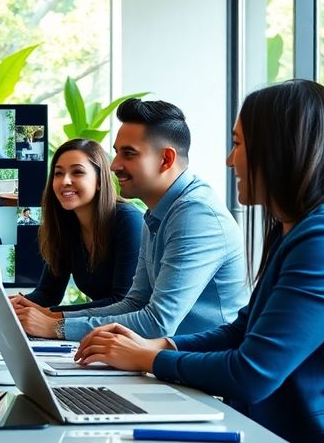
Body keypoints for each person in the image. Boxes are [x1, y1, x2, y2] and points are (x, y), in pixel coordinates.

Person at [74, 80, 324, 442]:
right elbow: (240, 330)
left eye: (237, 144)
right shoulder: (300, 230)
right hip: (256, 426)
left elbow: (252, 373)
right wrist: (162, 346)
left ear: (280, 150)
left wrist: (148, 359)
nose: (230, 160)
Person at [13, 99, 247, 343]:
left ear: (165, 160)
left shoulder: (196, 215)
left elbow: (157, 322)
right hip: (166, 360)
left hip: (202, 368)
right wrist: (54, 320)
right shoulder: (156, 214)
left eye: (129, 154)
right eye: (116, 153)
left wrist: (56, 327)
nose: (114, 165)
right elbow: (133, 303)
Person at [5, 140, 142, 332]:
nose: (65, 181)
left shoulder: (127, 220)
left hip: (136, 335)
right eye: (58, 173)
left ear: (100, 181)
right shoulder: (65, 224)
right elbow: (48, 293)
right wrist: (11, 308)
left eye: (77, 172)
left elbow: (122, 301)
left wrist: (51, 316)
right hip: (101, 331)